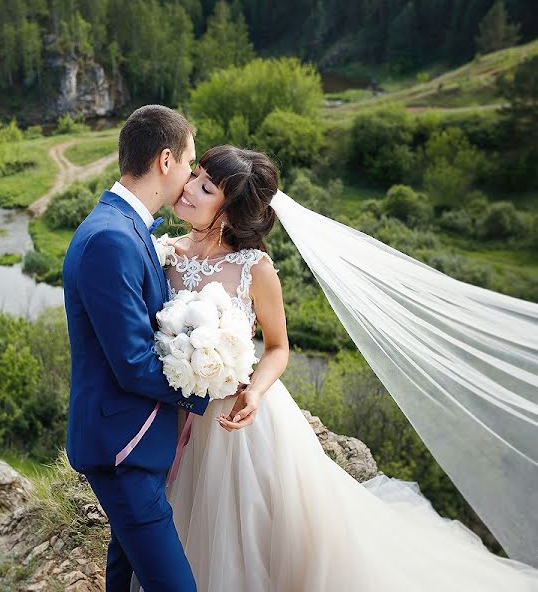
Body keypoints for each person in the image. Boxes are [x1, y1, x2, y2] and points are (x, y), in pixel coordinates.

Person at [137, 144, 538, 591]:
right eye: (194, 176)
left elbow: (278, 347)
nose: (188, 187)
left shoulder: (255, 269)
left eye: (205, 187)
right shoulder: (164, 253)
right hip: (173, 414)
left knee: (251, 535)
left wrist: (254, 392)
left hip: (238, 425)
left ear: (229, 211)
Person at [62, 105, 219, 591]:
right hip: (122, 450)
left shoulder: (123, 228)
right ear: (165, 160)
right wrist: (202, 389)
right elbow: (132, 364)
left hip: (130, 444)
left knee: (124, 574)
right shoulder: (112, 239)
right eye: (190, 163)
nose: (193, 175)